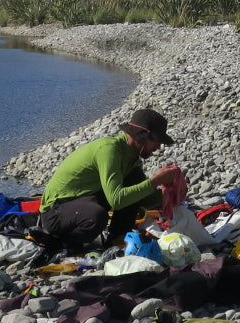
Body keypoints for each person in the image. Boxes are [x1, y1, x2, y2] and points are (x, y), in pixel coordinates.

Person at [38, 108, 184, 252]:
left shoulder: (130, 157)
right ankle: (63, 244)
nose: (158, 147)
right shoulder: (109, 150)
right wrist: (155, 181)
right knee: (96, 215)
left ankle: (117, 239)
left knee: (135, 179)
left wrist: (171, 192)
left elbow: (140, 198)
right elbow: (117, 200)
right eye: (156, 141)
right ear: (140, 136)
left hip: (83, 201)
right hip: (55, 213)